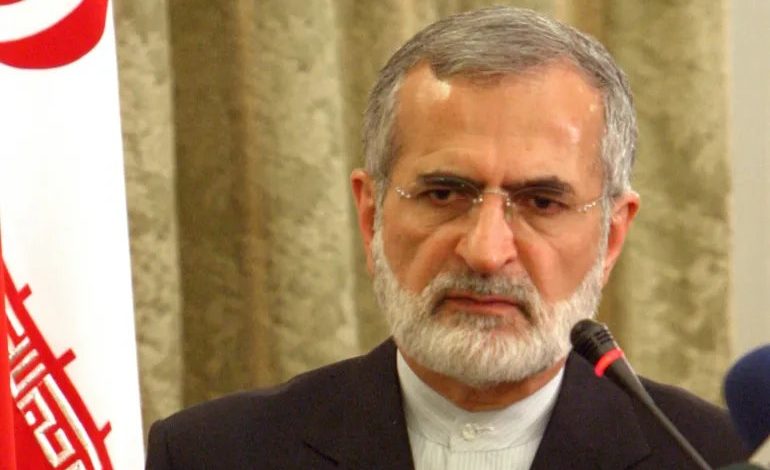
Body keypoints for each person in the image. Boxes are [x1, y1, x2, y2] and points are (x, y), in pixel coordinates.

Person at [145, 6, 747, 469]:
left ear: (611, 236)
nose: (485, 252)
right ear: (371, 214)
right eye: (443, 194)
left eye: (541, 203)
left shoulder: (710, 459)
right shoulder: (212, 454)